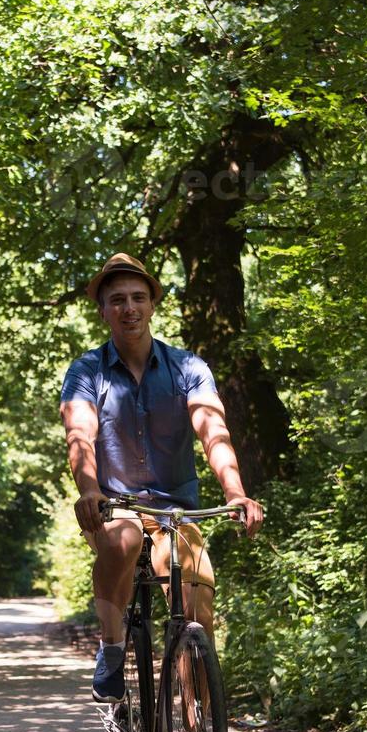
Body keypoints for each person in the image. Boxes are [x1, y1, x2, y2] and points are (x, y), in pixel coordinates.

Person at [58, 253, 263, 704]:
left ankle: (196, 727)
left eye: (137, 298)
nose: (128, 308)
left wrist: (236, 492)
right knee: (123, 541)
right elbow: (80, 433)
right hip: (117, 506)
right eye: (117, 300)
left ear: (152, 304)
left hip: (176, 509)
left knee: (196, 603)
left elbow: (213, 430)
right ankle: (112, 647)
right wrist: (89, 489)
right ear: (103, 310)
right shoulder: (86, 371)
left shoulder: (188, 368)